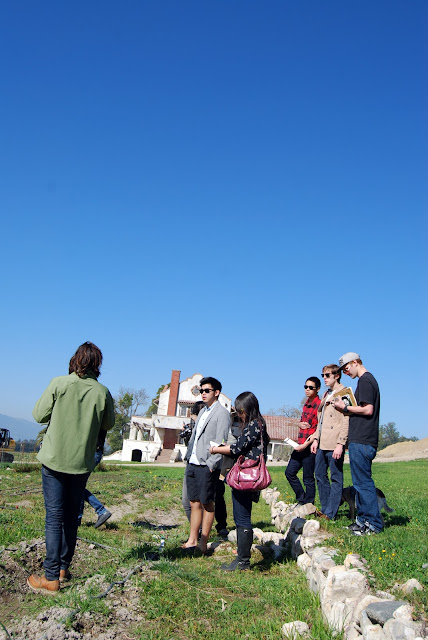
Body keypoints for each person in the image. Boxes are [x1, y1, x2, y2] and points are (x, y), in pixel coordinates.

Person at [27, 342, 115, 594]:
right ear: (97, 364)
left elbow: (38, 415)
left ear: (76, 359)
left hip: (54, 459)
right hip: (81, 463)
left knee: (54, 517)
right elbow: (108, 424)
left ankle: (50, 577)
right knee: (71, 517)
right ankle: (63, 568)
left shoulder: (59, 383)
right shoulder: (103, 392)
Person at [210, 391, 269, 571]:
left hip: (245, 478)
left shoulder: (254, 425)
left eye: (240, 411)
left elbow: (237, 448)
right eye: (237, 411)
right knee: (243, 517)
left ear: (248, 408)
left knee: (242, 518)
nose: (239, 414)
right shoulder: (260, 424)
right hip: (250, 477)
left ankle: (243, 561)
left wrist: (217, 449)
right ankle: (243, 559)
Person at [333, 352, 383, 535]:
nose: (346, 373)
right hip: (359, 440)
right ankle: (361, 521)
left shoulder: (366, 381)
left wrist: (344, 407)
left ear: (355, 362)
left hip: (363, 440)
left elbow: (368, 409)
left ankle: (373, 524)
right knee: (359, 483)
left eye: (346, 368)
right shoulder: (364, 381)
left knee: (363, 484)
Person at [182, 377, 231, 554]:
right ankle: (192, 540)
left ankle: (203, 542)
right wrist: (189, 457)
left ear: (216, 392)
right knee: (193, 502)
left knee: (207, 503)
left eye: (206, 390)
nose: (203, 393)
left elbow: (221, 440)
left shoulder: (222, 413)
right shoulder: (203, 411)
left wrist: (212, 464)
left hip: (207, 465)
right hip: (193, 463)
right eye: (201, 390)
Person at [311, 365, 349, 520]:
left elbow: (347, 420)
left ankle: (331, 512)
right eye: (323, 375)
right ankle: (325, 508)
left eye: (327, 375)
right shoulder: (326, 394)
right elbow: (320, 420)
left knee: (335, 477)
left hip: (335, 442)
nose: (324, 378)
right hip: (322, 441)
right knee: (320, 474)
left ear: (337, 375)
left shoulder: (344, 393)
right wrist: (316, 438)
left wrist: (341, 443)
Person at [285, 377, 321, 505]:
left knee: (308, 478)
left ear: (317, 389)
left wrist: (306, 445)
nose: (307, 389)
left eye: (311, 387)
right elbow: (304, 422)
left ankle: (309, 504)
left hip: (310, 446)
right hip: (300, 444)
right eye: (306, 387)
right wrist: (299, 424)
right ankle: (301, 498)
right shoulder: (306, 404)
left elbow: (319, 429)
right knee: (289, 472)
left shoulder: (319, 405)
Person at [78, 430, 112, 528]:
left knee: (77, 486)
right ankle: (77, 519)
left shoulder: (96, 421)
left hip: (91, 452)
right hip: (93, 452)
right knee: (77, 486)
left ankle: (100, 511)